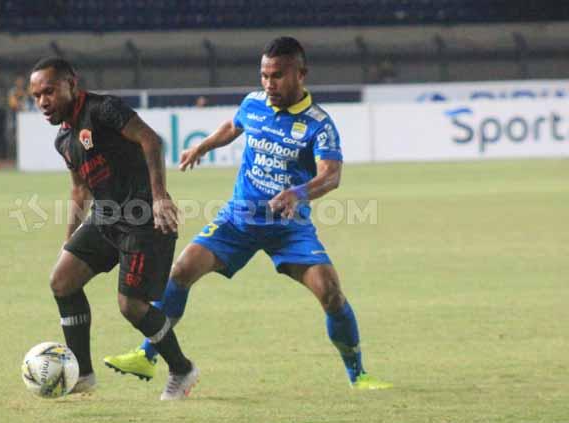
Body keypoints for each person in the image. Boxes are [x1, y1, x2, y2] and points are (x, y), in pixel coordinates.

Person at [104, 37, 392, 390]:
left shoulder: (319, 124)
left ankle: (357, 374)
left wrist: (297, 193)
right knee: (180, 271)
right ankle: (147, 354)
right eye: (264, 75)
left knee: (330, 293)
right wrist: (203, 146)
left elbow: (330, 176)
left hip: (289, 228)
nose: (269, 84)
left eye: (278, 76)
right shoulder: (255, 103)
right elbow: (233, 126)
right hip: (237, 220)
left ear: (301, 74)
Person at [29, 57, 199, 400]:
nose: (42, 102)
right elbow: (80, 190)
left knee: (131, 306)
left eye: (49, 91)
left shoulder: (104, 110)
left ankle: (182, 369)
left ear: (71, 84)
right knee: (62, 281)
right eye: (35, 96)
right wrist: (69, 241)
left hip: (143, 220)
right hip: (105, 218)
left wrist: (160, 197)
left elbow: (151, 140)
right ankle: (83, 374)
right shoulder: (64, 139)